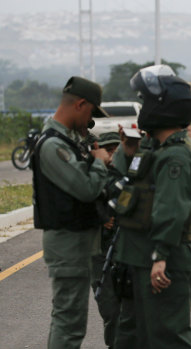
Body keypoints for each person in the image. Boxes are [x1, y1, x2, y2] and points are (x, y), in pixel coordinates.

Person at [112, 64, 191, 348]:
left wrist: (159, 256)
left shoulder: (176, 156)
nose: (143, 108)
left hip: (162, 259)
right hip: (138, 257)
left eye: (147, 102)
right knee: (132, 336)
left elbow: (171, 209)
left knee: (168, 338)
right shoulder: (154, 149)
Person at [32, 76, 111, 349]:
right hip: (68, 246)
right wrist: (99, 163)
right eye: (90, 112)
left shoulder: (67, 141)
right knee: (69, 324)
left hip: (76, 244)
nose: (90, 120)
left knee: (68, 320)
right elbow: (87, 188)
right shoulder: (54, 146)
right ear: (80, 104)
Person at [89, 131, 123, 348]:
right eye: (107, 151)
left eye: (115, 151)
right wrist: (99, 218)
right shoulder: (89, 177)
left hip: (128, 253)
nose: (111, 156)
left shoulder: (130, 177)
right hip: (100, 253)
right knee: (111, 311)